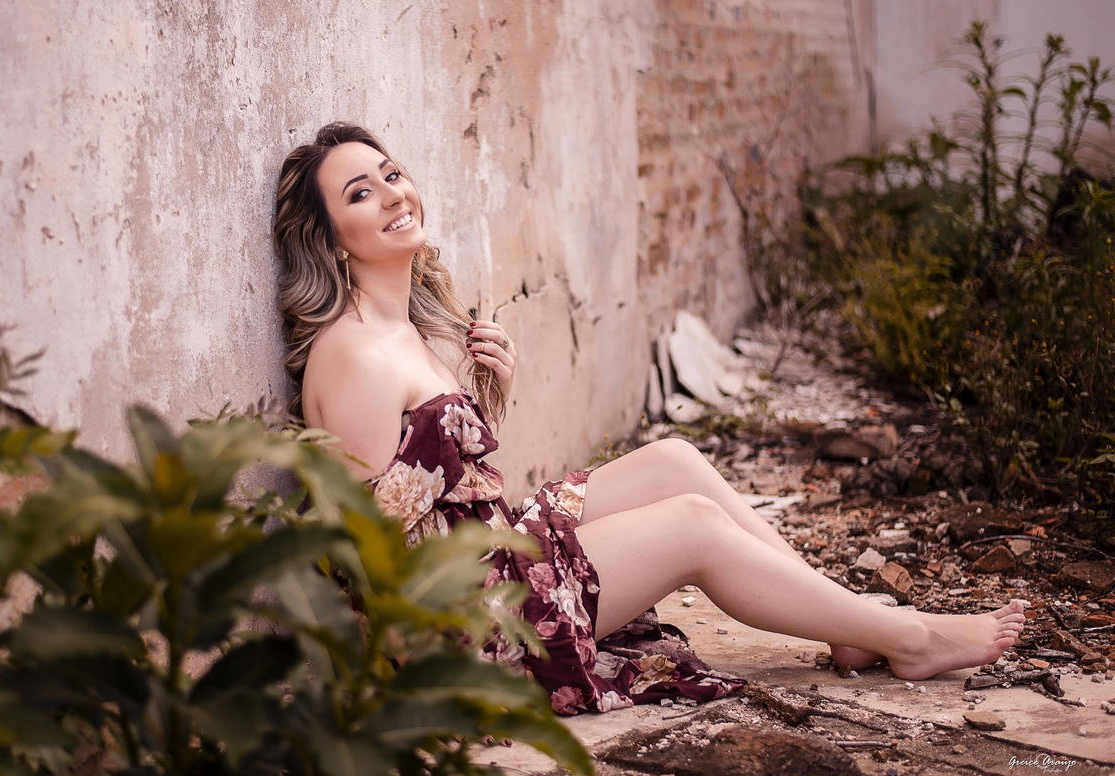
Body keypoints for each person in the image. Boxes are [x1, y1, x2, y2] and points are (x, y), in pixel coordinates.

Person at [272, 122, 1026, 716]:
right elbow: (371, 551)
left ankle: (847, 624)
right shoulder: (353, 354)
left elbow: (446, 484)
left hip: (485, 557)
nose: (393, 195)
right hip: (464, 625)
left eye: (392, 174)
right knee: (693, 526)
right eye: (361, 194)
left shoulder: (405, 330)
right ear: (330, 239)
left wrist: (487, 395)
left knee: (672, 460)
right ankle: (909, 638)